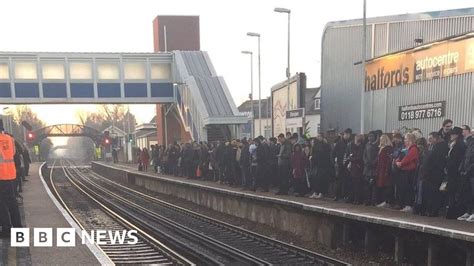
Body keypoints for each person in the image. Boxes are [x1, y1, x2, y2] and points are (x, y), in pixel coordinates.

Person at [0, 120, 23, 238]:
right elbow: (15, 154)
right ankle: (18, 228)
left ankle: (6, 230)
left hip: (1, 177)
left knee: (2, 205)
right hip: (11, 175)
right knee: (12, 203)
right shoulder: (10, 139)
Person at [420, 133, 448, 216]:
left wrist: (428, 169)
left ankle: (433, 211)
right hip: (430, 173)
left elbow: (435, 161)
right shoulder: (432, 147)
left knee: (434, 193)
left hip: (435, 174)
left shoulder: (440, 147)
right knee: (431, 193)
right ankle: (430, 210)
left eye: (431, 138)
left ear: (436, 138)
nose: (429, 140)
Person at [445, 127, 467, 219]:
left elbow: (456, 159)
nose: (451, 135)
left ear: (457, 135)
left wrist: (449, 163)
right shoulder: (455, 144)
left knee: (454, 191)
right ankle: (452, 211)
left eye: (453, 134)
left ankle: (453, 212)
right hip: (452, 171)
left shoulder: (459, 145)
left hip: (455, 172)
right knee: (451, 191)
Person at [395, 133, 420, 212]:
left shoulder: (413, 148)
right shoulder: (405, 149)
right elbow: (399, 156)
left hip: (410, 171)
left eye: (406, 139)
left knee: (409, 188)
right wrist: (397, 161)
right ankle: (403, 204)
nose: (404, 141)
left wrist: (401, 163)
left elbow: (409, 158)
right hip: (403, 170)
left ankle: (409, 205)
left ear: (410, 140)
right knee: (403, 188)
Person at [458, 126, 474, 221]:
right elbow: (465, 156)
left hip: (471, 172)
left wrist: (468, 169)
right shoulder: (471, 143)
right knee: (468, 193)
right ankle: (469, 211)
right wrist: (461, 168)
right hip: (467, 172)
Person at [309, 134, 333, 199]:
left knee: (321, 179)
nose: (318, 137)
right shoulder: (316, 145)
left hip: (323, 165)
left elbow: (325, 154)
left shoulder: (325, 145)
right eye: (317, 136)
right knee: (315, 179)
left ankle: (321, 192)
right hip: (316, 164)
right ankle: (315, 192)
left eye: (319, 136)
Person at [332, 128, 352, 201]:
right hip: (340, 164)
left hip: (348, 165)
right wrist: (334, 162)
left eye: (348, 134)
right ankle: (337, 195)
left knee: (346, 181)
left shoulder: (351, 143)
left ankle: (345, 196)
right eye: (345, 134)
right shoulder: (339, 143)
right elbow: (333, 153)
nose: (346, 135)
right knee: (339, 180)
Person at [345, 134, 365, 204]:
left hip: (358, 167)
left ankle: (357, 199)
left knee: (357, 184)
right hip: (352, 168)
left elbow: (359, 158)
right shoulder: (353, 146)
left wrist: (351, 158)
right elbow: (350, 155)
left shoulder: (361, 147)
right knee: (351, 184)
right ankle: (351, 197)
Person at [375, 135, 393, 207]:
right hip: (380, 169)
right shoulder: (380, 148)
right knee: (381, 185)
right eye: (380, 139)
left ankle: (386, 201)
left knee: (386, 185)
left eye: (382, 139)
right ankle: (382, 201)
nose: (381, 141)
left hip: (385, 169)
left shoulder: (388, 148)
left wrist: (386, 170)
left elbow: (388, 160)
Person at [363, 132, 379, 205]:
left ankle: (373, 201)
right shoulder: (367, 144)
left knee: (373, 186)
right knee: (366, 186)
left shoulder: (377, 145)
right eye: (369, 136)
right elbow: (364, 154)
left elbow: (378, 156)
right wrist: (366, 162)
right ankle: (367, 200)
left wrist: (373, 162)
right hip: (367, 168)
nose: (370, 138)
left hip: (374, 168)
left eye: (372, 136)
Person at [413, 137, 429, 215]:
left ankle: (419, 208)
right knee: (418, 191)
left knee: (419, 192)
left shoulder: (424, 154)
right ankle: (418, 208)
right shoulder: (425, 153)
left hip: (421, 175)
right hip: (419, 174)